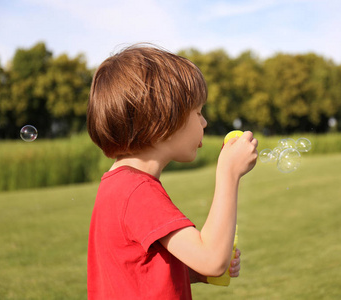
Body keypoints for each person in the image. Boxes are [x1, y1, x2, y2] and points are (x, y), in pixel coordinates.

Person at [86, 44, 258, 299]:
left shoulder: (118, 185)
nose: (204, 122)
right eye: (198, 112)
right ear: (163, 120)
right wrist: (228, 173)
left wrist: (195, 273)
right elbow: (212, 258)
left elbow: (137, 274)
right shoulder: (138, 192)